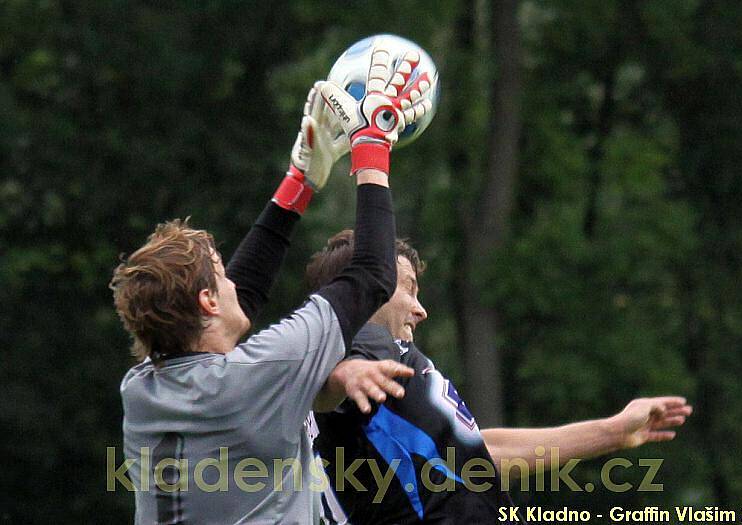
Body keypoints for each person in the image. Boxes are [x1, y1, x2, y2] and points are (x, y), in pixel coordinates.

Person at [112, 47, 434, 524]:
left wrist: (299, 183)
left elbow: (239, 299)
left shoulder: (142, 389)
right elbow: (373, 276)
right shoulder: (260, 374)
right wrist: (372, 144)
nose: (231, 284)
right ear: (205, 301)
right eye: (220, 276)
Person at [306, 230, 693, 524]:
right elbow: (327, 382)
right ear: (368, 285)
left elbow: (477, 457)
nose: (421, 310)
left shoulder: (392, 375)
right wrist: (340, 373)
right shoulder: (362, 342)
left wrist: (614, 432)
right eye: (409, 288)